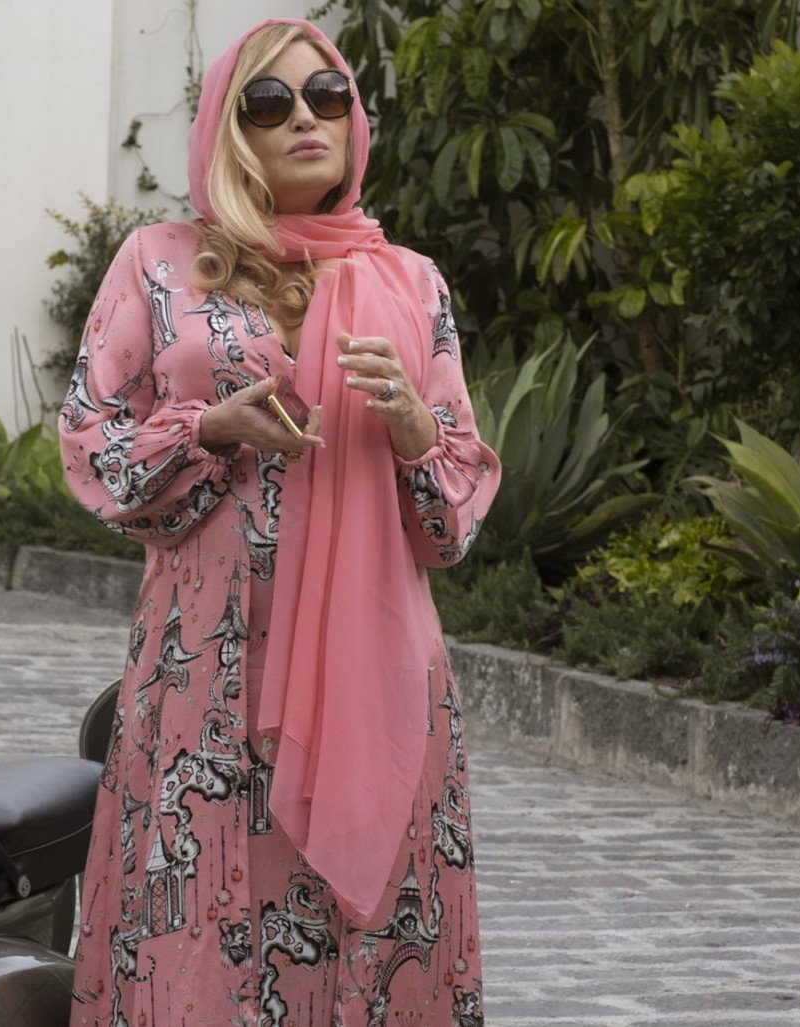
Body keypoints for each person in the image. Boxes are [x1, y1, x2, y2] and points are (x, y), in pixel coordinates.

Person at [59, 17, 500, 1026]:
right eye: (268, 102)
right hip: (206, 672)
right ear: (226, 131)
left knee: (370, 934)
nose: (304, 117)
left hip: (377, 680)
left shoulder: (409, 281)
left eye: (326, 95)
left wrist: (404, 426)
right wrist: (209, 426)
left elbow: (455, 510)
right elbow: (89, 440)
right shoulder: (158, 263)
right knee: (203, 925)